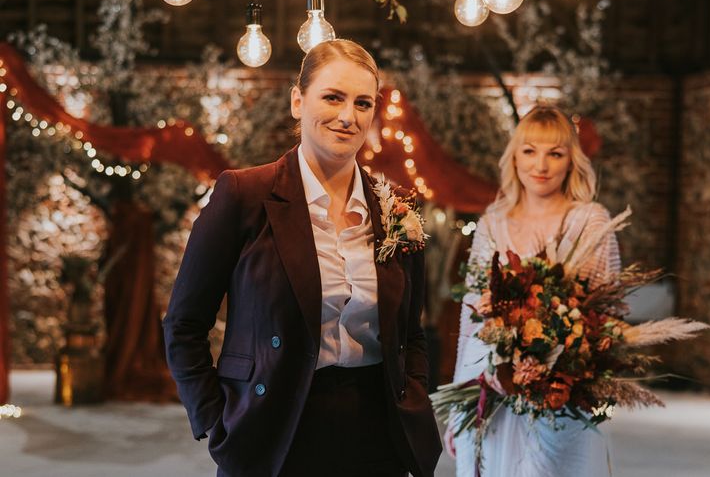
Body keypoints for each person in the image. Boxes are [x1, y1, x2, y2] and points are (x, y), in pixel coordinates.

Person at [163, 39, 442, 477]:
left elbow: (412, 333)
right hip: (273, 424)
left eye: (362, 103)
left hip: (377, 432)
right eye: (332, 97)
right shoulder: (244, 195)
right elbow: (183, 325)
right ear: (298, 100)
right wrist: (215, 421)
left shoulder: (396, 209)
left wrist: (413, 392)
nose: (348, 116)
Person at [448, 105, 621, 477]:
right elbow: (470, 312)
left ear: (571, 161)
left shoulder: (590, 221)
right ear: (514, 157)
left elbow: (606, 316)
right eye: (529, 151)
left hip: (561, 396)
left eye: (554, 153)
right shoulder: (493, 221)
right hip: (489, 388)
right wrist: (457, 398)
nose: (540, 165)